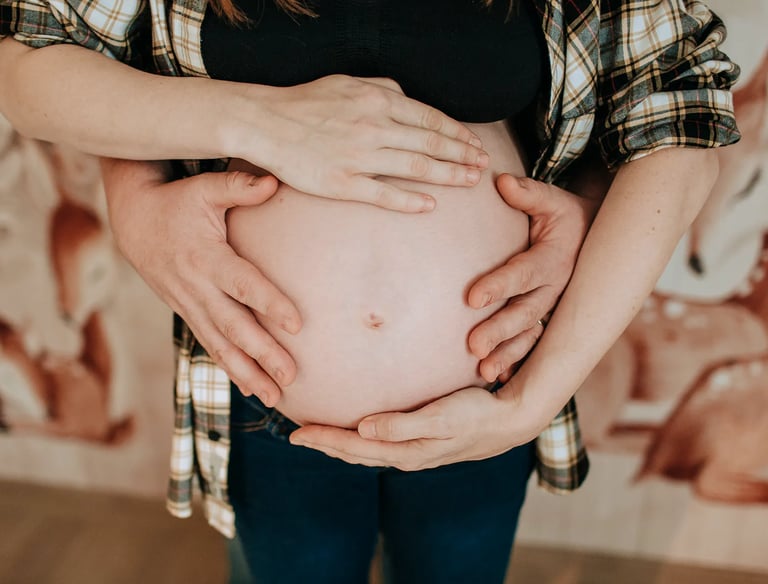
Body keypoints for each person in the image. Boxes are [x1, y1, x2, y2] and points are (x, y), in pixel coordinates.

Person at [0, 0, 740, 582]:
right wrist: (240, 129)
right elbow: (25, 59)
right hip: (260, 388)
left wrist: (530, 402)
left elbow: (681, 107)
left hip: (494, 392)